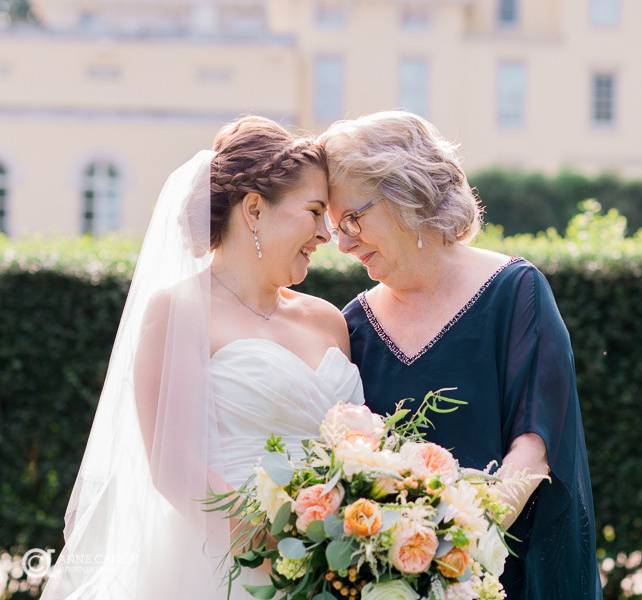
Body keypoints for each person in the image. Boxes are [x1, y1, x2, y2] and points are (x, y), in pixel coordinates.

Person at [41, 116, 365, 599]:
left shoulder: (328, 321)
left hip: (341, 569)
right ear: (254, 209)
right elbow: (176, 470)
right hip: (229, 572)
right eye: (315, 211)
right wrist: (291, 558)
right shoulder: (177, 312)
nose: (326, 235)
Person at [320, 111, 602, 599]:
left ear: (403, 194)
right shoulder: (354, 325)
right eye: (333, 226)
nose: (343, 244)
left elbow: (534, 451)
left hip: (504, 578)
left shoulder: (516, 292)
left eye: (351, 219)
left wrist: (451, 555)